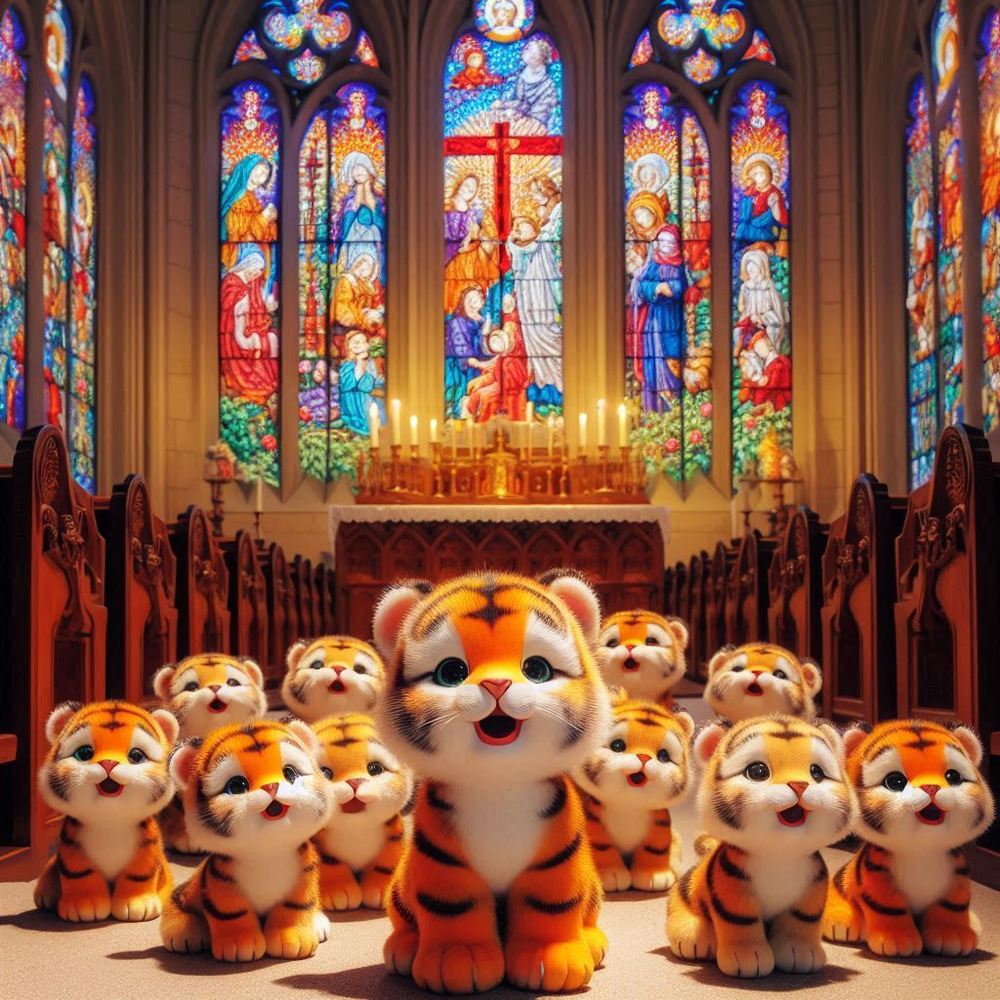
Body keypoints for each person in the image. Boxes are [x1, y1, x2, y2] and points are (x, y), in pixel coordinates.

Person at [508, 213, 563, 403]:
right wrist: (514, 242)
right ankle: (543, 382)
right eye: (519, 227)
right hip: (527, 304)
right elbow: (514, 255)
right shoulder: (518, 252)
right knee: (534, 342)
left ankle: (560, 383)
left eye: (526, 225)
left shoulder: (543, 243)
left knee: (552, 336)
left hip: (545, 300)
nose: (522, 229)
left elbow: (549, 233)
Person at [629, 224, 685, 410]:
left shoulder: (681, 265)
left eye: (669, 242)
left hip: (675, 319)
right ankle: (656, 409)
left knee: (673, 358)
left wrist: (674, 289)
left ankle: (675, 404)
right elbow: (639, 287)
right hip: (654, 323)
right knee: (654, 363)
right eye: (661, 242)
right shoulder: (653, 263)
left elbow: (687, 286)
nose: (665, 246)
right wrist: (656, 288)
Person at [218, 248, 278, 408]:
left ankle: (265, 383)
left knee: (269, 340)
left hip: (245, 328)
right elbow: (228, 303)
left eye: (258, 274)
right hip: (231, 332)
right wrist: (240, 301)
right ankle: (247, 385)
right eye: (254, 272)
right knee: (255, 344)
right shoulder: (231, 281)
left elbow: (255, 306)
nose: (255, 277)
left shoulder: (248, 284)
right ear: (247, 266)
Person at [334, 151, 386, 272]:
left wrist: (371, 204)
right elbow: (344, 226)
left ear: (369, 170)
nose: (358, 171)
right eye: (355, 168)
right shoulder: (349, 200)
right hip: (353, 244)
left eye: (361, 166)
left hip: (373, 245)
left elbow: (383, 226)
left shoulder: (378, 200)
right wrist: (355, 204)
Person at [735, 248, 789, 355]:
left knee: (771, 332)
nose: (750, 274)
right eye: (748, 271)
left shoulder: (769, 287)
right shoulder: (745, 287)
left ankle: (771, 359)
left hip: (768, 322)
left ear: (760, 268)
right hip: (750, 322)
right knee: (737, 333)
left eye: (753, 270)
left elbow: (778, 313)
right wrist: (750, 318)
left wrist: (763, 318)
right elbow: (742, 308)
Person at [445, 285, 488, 418]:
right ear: (466, 302)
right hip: (461, 373)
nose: (478, 297)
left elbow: (487, 348)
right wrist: (486, 365)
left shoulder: (483, 321)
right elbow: (466, 357)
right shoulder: (458, 323)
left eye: (479, 295)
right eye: (473, 296)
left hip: (479, 370)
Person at [498, 36, 558, 129]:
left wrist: (519, 117)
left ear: (540, 57)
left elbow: (539, 116)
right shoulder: (522, 76)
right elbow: (521, 102)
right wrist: (503, 105)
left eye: (530, 50)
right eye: (527, 48)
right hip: (520, 121)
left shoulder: (547, 85)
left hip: (535, 127)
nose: (525, 52)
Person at [338, 330, 384, 435]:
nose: (358, 344)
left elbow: (367, 386)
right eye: (355, 341)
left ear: (367, 345)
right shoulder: (346, 365)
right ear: (348, 345)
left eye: (362, 342)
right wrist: (360, 361)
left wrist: (362, 361)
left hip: (365, 404)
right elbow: (348, 384)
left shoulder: (370, 364)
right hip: (351, 405)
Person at [333, 249, 384, 342]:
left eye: (369, 272)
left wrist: (371, 313)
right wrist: (360, 321)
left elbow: (370, 304)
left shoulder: (365, 284)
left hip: (361, 324)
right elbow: (342, 311)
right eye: (363, 270)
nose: (365, 275)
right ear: (358, 266)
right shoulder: (346, 281)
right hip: (345, 327)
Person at [735, 155, 787, 246]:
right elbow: (743, 217)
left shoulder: (774, 193)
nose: (758, 177)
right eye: (755, 174)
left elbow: (782, 219)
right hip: (746, 236)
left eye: (761, 173)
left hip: (766, 236)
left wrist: (774, 206)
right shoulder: (749, 193)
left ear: (769, 174)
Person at [444, 173, 483, 264]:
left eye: (472, 190)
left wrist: (469, 243)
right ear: (459, 184)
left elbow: (476, 240)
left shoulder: (472, 213)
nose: (468, 190)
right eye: (466, 185)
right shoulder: (445, 204)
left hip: (462, 257)